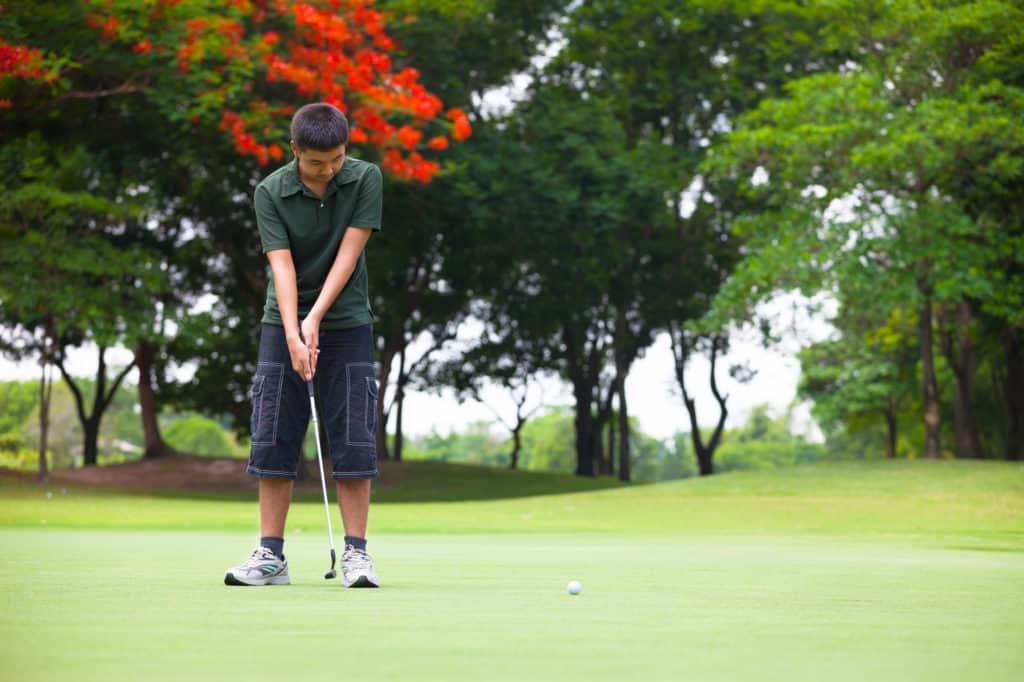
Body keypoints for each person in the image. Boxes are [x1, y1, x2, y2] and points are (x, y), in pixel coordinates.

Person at [224, 102, 383, 588]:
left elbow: (348, 254)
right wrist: (293, 331)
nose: (329, 169)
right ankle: (271, 557)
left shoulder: (365, 178)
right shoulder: (270, 191)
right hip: (281, 321)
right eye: (317, 162)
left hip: (348, 320)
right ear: (295, 150)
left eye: (336, 158)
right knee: (273, 432)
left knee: (354, 436)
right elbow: (282, 266)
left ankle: (357, 555)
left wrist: (315, 319)